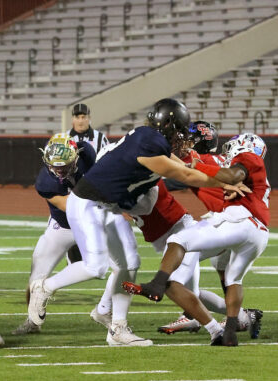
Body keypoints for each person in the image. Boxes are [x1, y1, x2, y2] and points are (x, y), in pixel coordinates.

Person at [27, 98, 247, 346]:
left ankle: (117, 330)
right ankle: (44, 287)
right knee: (96, 267)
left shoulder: (150, 139)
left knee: (129, 264)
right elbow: (185, 174)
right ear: (168, 126)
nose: (182, 137)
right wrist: (222, 182)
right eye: (179, 131)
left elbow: (182, 164)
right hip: (88, 202)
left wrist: (217, 177)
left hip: (106, 205)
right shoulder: (150, 145)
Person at [124, 133, 269, 346]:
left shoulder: (245, 157)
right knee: (233, 279)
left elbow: (230, 174)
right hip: (258, 233)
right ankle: (230, 330)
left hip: (238, 222)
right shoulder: (249, 169)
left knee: (179, 240)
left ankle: (157, 285)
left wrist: (197, 166)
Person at [157, 121, 262, 336]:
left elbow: (175, 169)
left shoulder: (199, 160)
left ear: (201, 142)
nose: (185, 144)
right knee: (224, 274)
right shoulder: (225, 160)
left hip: (227, 226)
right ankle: (242, 317)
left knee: (182, 255)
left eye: (190, 140)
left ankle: (191, 315)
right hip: (241, 226)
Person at [12, 133, 100, 335]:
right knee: (36, 276)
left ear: (76, 156)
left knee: (117, 267)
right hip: (62, 226)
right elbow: (73, 207)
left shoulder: (86, 152)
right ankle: (32, 321)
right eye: (55, 165)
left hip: (91, 224)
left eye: (64, 165)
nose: (59, 170)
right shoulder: (45, 182)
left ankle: (110, 313)